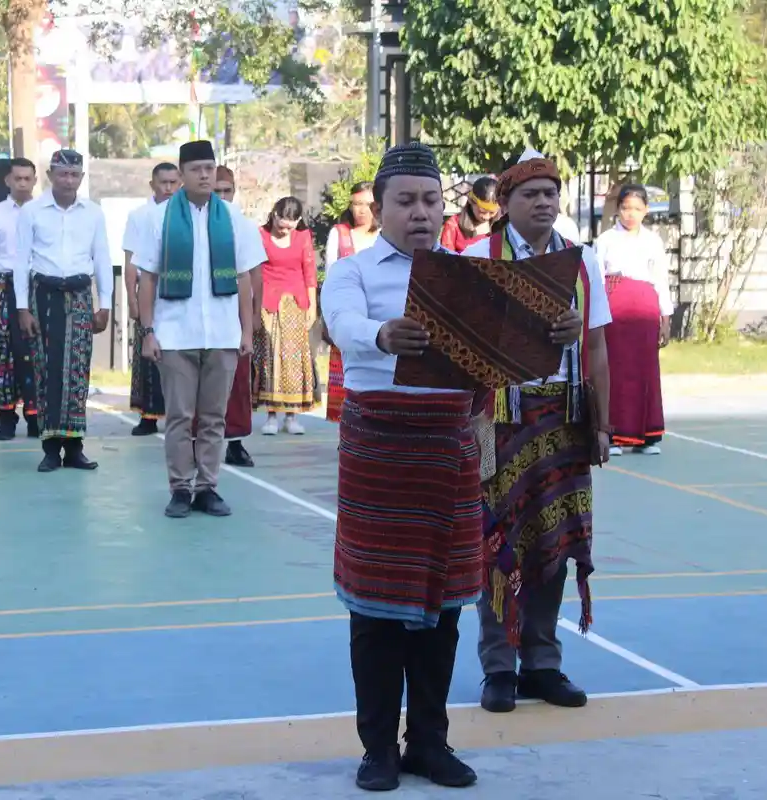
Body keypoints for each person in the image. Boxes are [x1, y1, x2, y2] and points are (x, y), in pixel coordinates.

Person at [321, 142, 482, 791]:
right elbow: (342, 323)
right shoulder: (352, 272)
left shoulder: (468, 276)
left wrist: (547, 337)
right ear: (379, 206)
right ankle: (378, 750)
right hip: (379, 450)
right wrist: (383, 335)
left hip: (448, 449)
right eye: (406, 201)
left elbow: (502, 356)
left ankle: (430, 743)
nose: (421, 212)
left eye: (431, 200)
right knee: (376, 611)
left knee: (443, 611)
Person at [463, 148, 612, 716]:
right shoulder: (479, 257)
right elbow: (464, 349)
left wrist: (603, 423)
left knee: (555, 541)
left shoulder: (582, 263)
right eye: (531, 194)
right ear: (505, 203)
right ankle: (499, 667)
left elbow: (597, 345)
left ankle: (543, 663)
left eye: (551, 193)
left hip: (565, 415)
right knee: (499, 542)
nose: (544, 202)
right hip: (500, 417)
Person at [134, 141, 262, 518]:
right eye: (197, 169)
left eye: (210, 168)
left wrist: (246, 331)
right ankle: (179, 488)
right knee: (178, 416)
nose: (205, 175)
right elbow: (148, 280)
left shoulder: (233, 218)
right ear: (183, 173)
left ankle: (207, 486)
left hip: (221, 334)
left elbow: (243, 279)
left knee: (213, 418)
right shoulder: (159, 219)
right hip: (175, 335)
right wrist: (148, 331)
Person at [15, 149, 113, 473]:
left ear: (81, 178)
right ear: (51, 175)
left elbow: (101, 258)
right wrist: (22, 308)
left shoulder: (93, 213)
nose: (68, 180)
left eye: (74, 174)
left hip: (81, 295)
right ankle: (49, 448)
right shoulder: (31, 212)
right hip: (44, 296)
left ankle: (74, 448)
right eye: (62, 173)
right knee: (47, 371)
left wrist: (106, 305)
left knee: (77, 372)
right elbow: (20, 262)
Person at [593, 184, 672, 455]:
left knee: (646, 368)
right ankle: (613, 433)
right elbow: (595, 276)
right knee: (614, 367)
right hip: (615, 304)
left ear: (646, 211)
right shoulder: (605, 240)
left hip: (646, 307)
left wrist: (666, 316)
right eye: (626, 208)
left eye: (637, 209)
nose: (631, 214)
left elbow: (661, 278)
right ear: (618, 209)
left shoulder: (653, 241)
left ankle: (648, 434)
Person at [0, 157, 41, 441]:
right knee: (5, 355)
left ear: (35, 180)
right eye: (18, 178)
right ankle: (6, 419)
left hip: (38, 288)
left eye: (28, 178)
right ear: (8, 180)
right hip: (5, 288)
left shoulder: (44, 212)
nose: (23, 183)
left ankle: (36, 418)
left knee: (36, 354)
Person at [209, 165, 262, 467]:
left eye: (227, 190)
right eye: (217, 191)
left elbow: (254, 273)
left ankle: (236, 442)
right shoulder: (188, 222)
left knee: (239, 383)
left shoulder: (242, 225)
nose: (222, 196)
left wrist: (254, 315)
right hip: (201, 320)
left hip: (234, 316)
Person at [123, 162, 181, 436]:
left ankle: (177, 414)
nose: (168, 188)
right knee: (148, 355)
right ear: (152, 185)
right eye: (163, 182)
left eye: (173, 182)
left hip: (178, 296)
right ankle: (148, 415)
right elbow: (131, 262)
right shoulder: (140, 216)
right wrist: (133, 300)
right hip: (150, 296)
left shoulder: (186, 214)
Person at [254, 196, 318, 434]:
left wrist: (311, 307)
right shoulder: (260, 235)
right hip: (268, 303)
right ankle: (271, 416)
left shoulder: (303, 237)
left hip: (295, 303)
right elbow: (254, 271)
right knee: (270, 357)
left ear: (298, 221)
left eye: (292, 221)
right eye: (282, 219)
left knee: (293, 359)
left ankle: (292, 416)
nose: (286, 226)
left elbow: (309, 272)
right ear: (274, 214)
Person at [320, 182, 379, 424]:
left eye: (366, 205)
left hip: (378, 316)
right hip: (347, 316)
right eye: (356, 205)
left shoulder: (384, 235)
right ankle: (347, 429)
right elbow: (330, 278)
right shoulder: (339, 234)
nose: (361, 210)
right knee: (346, 377)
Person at [439, 176, 498, 253]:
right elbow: (445, 258)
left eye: (492, 212)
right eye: (482, 211)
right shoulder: (453, 226)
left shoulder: (502, 227)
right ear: (471, 200)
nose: (486, 217)